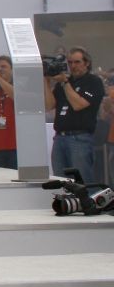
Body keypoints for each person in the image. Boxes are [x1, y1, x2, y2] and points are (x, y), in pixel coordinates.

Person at [45, 46, 105, 184]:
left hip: (80, 138)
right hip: (59, 137)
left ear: (86, 63)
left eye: (77, 62)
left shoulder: (93, 81)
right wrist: (46, 81)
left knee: (82, 180)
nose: (73, 66)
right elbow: (49, 105)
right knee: (61, 180)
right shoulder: (64, 82)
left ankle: (87, 199)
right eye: (70, 62)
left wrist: (65, 82)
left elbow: (78, 104)